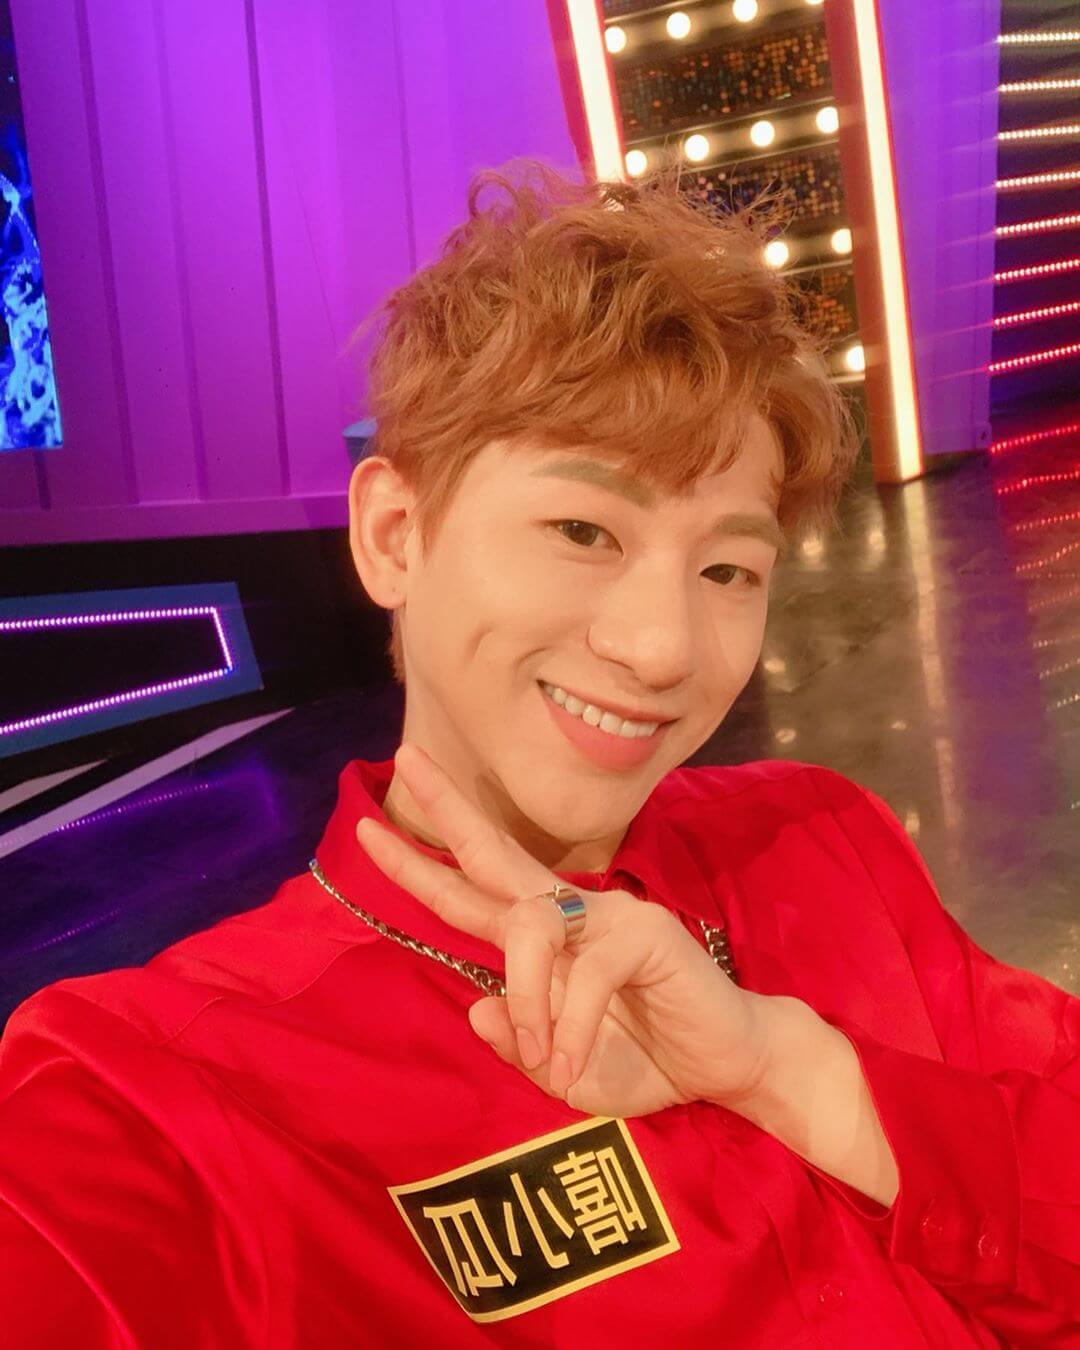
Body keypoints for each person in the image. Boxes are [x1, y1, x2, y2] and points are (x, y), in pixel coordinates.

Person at [0, 158, 1077, 1348]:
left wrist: (794, 1073)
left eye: (728, 568)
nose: (664, 649)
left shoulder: (823, 844)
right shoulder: (155, 1090)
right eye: (581, 529)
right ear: (395, 534)